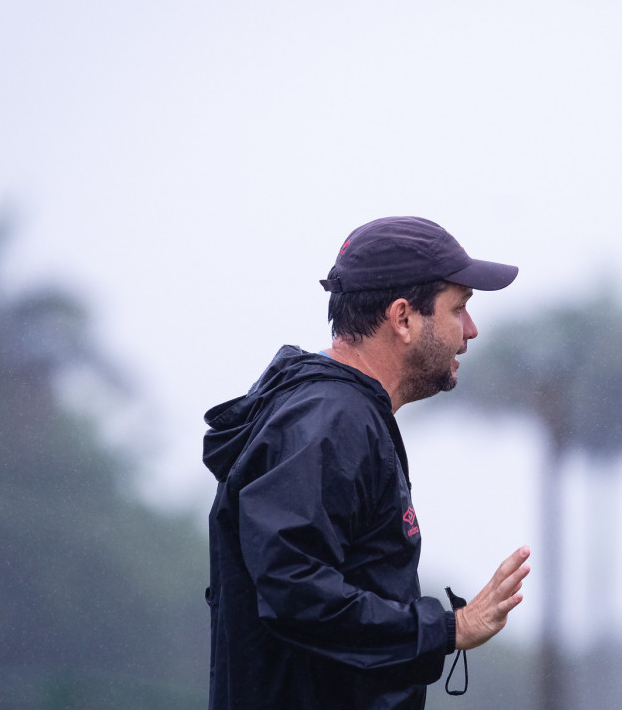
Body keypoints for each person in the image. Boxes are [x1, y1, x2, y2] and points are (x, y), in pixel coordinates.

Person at [203, 216, 531, 710]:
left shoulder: (339, 413)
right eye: (458, 309)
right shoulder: (333, 420)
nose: (471, 330)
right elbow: (294, 590)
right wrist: (448, 628)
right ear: (402, 318)